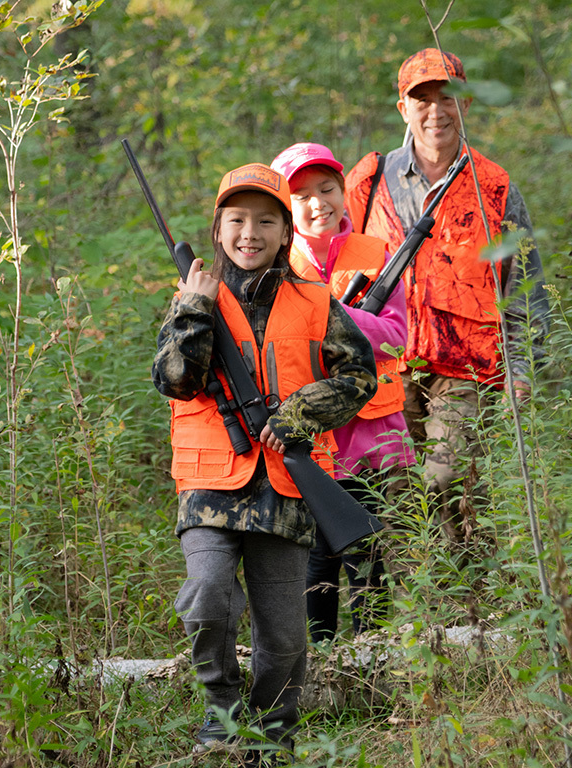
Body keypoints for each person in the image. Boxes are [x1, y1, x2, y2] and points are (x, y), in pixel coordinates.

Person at [152, 163, 378, 757]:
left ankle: (272, 735)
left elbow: (360, 374)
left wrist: (300, 412)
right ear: (218, 230)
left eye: (265, 221)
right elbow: (175, 381)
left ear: (284, 233)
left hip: (284, 486)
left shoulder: (314, 300)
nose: (249, 233)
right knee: (206, 595)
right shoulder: (191, 298)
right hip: (209, 483)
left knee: (283, 633)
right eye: (236, 221)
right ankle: (222, 717)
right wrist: (194, 312)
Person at [345, 48, 550, 547]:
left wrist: (522, 371)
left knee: (447, 479)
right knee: (397, 496)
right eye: (422, 99)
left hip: (468, 367)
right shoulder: (368, 182)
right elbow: (334, 270)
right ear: (402, 108)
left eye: (447, 98)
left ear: (466, 104)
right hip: (387, 362)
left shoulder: (494, 187)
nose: (435, 111)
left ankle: (474, 616)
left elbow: (523, 286)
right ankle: (429, 617)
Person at [270, 142, 415, 642]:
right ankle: (325, 664)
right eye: (301, 196)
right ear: (283, 210)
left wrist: (337, 315)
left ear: (342, 191)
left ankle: (374, 660)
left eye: (327, 189)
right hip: (311, 429)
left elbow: (396, 334)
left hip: (372, 431)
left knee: (368, 550)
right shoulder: (275, 264)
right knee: (317, 553)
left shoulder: (376, 254)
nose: (318, 203)